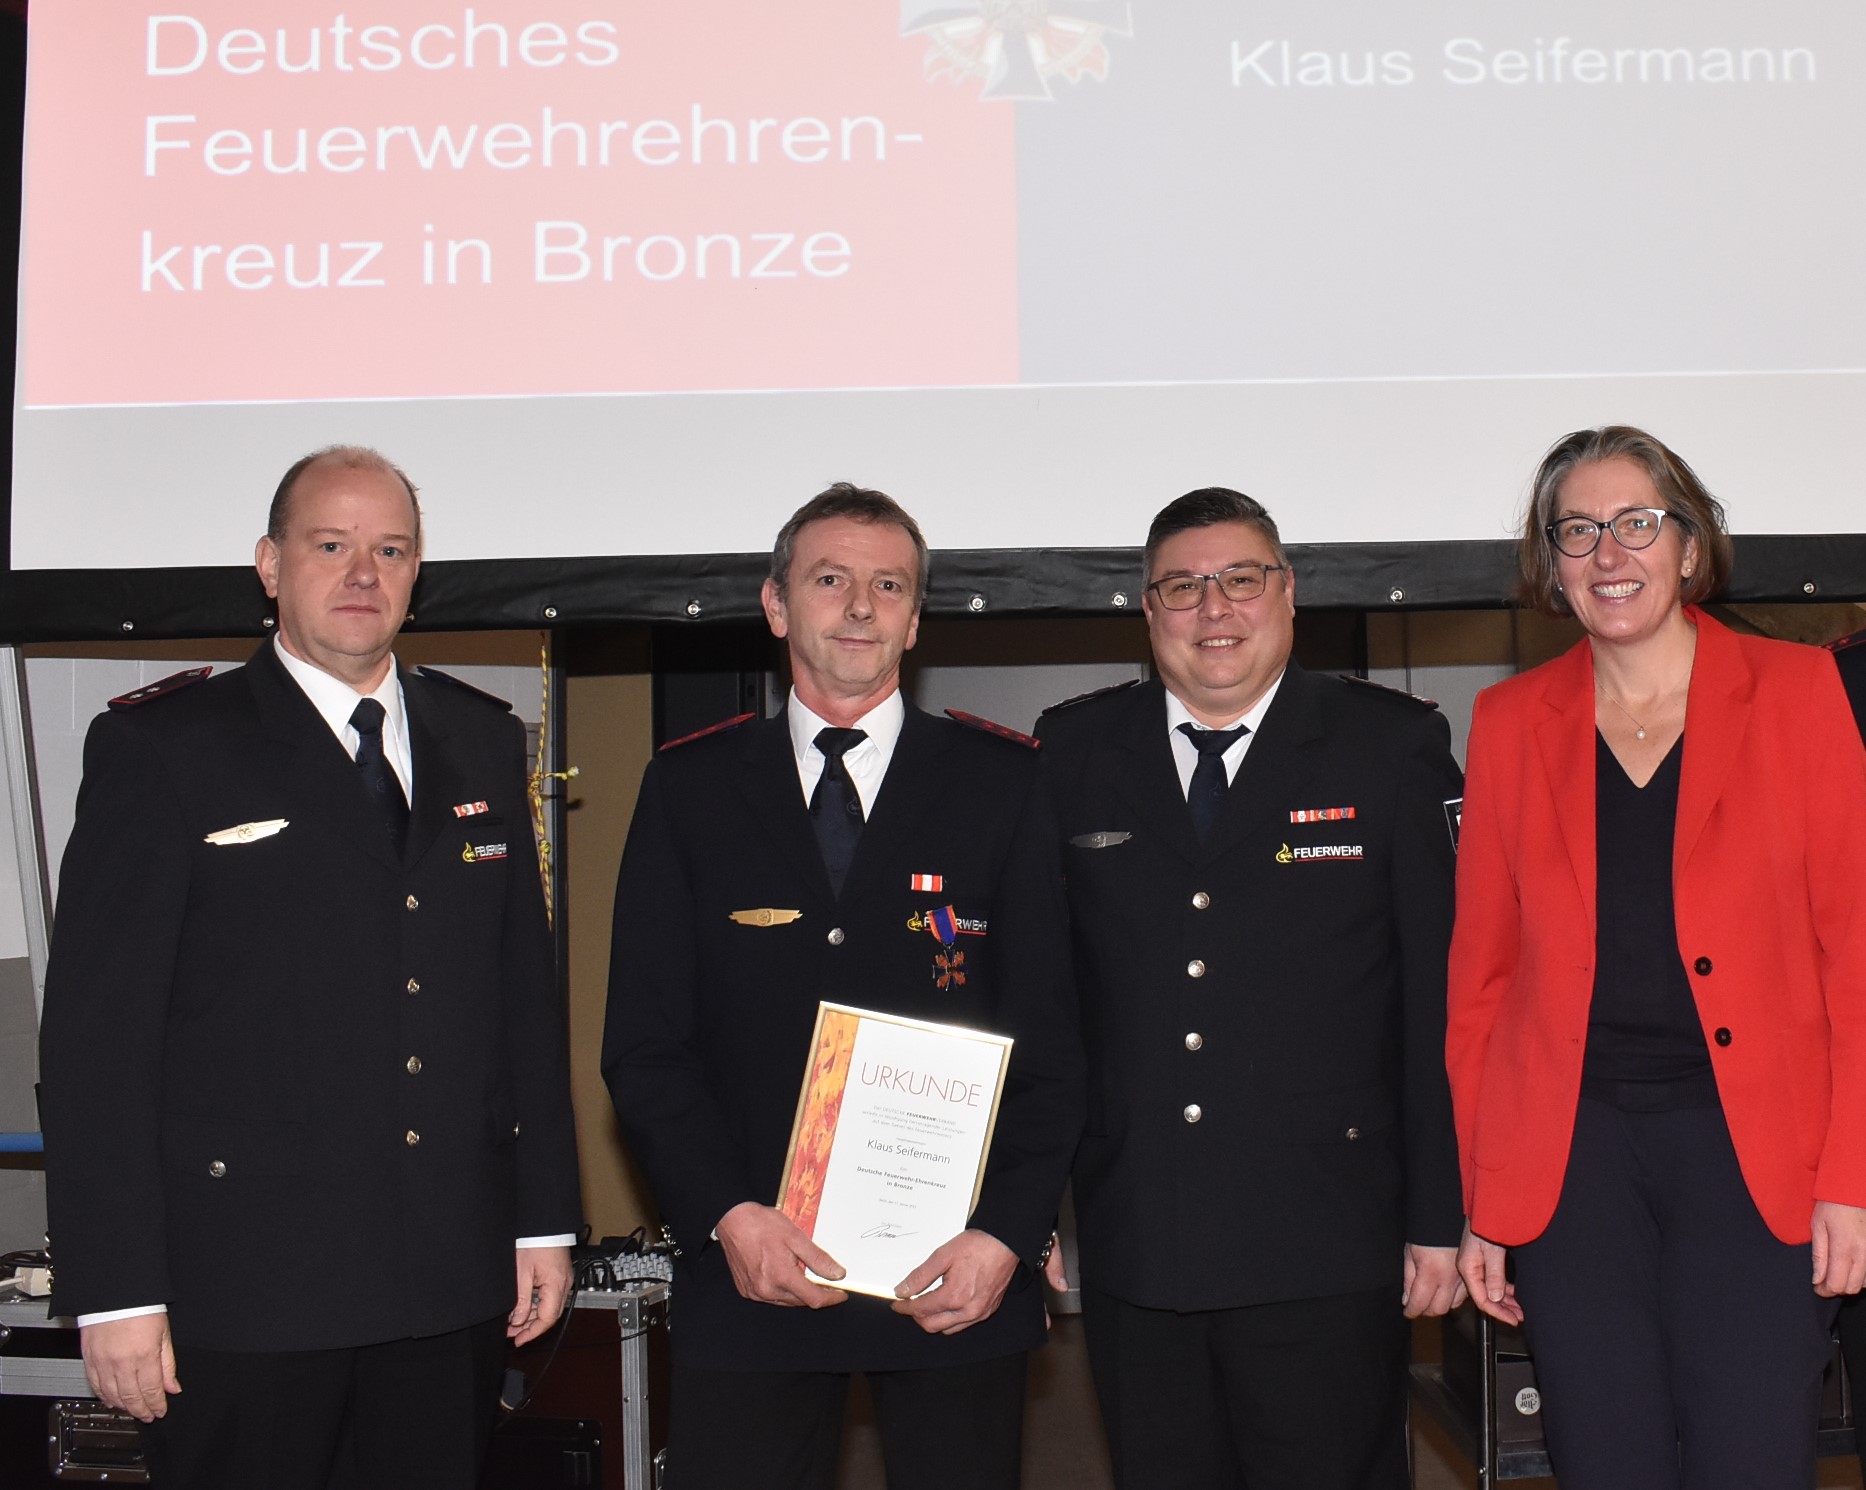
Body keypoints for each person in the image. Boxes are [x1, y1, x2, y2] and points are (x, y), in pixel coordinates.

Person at [37, 447, 582, 1490]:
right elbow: (97, 1043)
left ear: (418, 573)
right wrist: (115, 1289)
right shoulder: (167, 747)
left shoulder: (478, 737)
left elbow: (521, 1001)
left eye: (391, 550)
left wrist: (544, 1217)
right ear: (270, 565)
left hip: (445, 1277)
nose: (363, 574)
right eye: (331, 546)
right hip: (247, 1290)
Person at [602, 482, 1082, 1490]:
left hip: (955, 1275)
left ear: (916, 617)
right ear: (777, 605)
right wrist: (727, 1214)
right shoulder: (688, 787)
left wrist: (1007, 1231)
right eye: (831, 580)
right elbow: (645, 1046)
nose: (861, 605)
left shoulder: (1005, 782)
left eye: (889, 585)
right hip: (752, 1271)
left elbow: (1056, 1041)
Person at [1447, 426, 1866, 1489]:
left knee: (1752, 1459)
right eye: (1577, 531)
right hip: (1572, 1165)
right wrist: (1487, 1197)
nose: (1609, 553)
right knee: (1604, 1460)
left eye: (1637, 522)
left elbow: (1857, 954)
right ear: (1551, 563)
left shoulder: (1799, 691)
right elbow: (1481, 982)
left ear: (1689, 543)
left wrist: (1852, 1178)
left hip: (1758, 1158)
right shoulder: (1507, 721)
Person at [1035, 486, 1465, 1490]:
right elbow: (1046, 1004)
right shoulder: (1074, 753)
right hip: (1141, 1231)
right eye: (1183, 587)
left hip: (1326, 1236)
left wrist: (1439, 1214)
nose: (1214, 608)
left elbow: (1438, 1004)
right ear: (1149, 610)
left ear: (1289, 593)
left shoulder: (1388, 746)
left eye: (1241, 579)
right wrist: (1021, 1202)